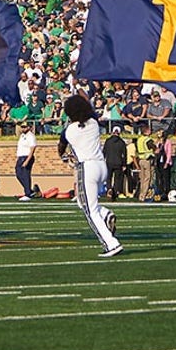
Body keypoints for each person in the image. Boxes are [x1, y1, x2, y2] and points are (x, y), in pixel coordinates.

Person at [58, 93, 122, 257]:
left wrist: (64, 157)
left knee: (90, 210)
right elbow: (90, 110)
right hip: (101, 165)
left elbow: (61, 147)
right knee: (83, 201)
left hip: (86, 168)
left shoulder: (69, 130)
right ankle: (106, 214)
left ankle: (111, 244)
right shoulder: (94, 123)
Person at [102, 128, 127, 201]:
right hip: (118, 162)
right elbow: (124, 154)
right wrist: (124, 164)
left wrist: (102, 161)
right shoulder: (121, 142)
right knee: (117, 179)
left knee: (108, 177)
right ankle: (115, 192)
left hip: (109, 162)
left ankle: (109, 188)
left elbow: (104, 152)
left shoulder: (108, 141)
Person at [15, 124, 37, 201]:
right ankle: (29, 190)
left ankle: (27, 194)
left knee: (25, 175)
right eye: (22, 127)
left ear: (29, 127)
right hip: (20, 157)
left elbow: (32, 148)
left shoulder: (31, 136)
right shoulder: (22, 136)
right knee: (18, 174)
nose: (23, 129)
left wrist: (27, 160)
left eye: (25, 127)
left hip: (26, 157)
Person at [135, 123, 157, 201]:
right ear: (146, 131)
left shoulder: (139, 139)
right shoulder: (148, 140)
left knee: (142, 179)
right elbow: (155, 149)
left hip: (141, 160)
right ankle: (144, 196)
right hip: (147, 160)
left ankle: (140, 195)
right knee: (148, 179)